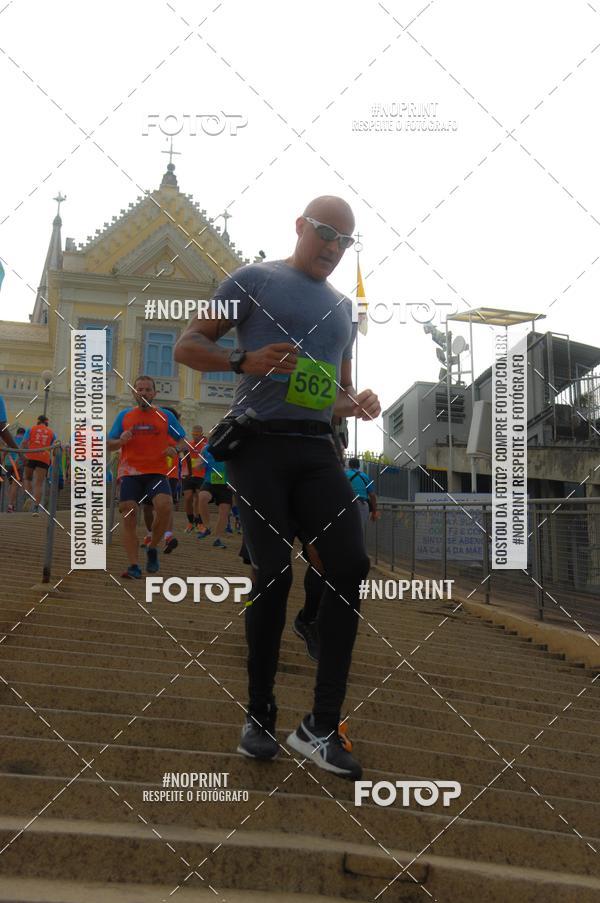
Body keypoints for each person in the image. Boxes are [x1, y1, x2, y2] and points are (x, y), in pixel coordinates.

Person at [174, 195, 380, 780]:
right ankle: (259, 715)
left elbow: (336, 394)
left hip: (317, 450)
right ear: (299, 226)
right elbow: (189, 345)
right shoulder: (253, 279)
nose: (335, 248)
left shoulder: (342, 311)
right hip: (257, 444)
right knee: (275, 573)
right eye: (325, 234)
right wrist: (244, 361)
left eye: (345, 241)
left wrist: (359, 403)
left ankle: (320, 725)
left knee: (348, 564)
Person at [107, 376, 185, 579]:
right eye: (139, 389)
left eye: (148, 390)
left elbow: (183, 441)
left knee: (165, 506)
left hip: (156, 472)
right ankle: (133, 565)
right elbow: (108, 444)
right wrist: (119, 441)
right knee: (129, 513)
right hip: (130, 473)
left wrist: (174, 449)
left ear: (154, 393)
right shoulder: (124, 416)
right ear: (134, 393)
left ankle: (153, 548)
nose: (143, 393)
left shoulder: (166, 416)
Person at [141, 405, 184, 554]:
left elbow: (183, 447)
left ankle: (168, 537)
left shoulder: (176, 434)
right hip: (150, 473)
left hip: (168, 475)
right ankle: (151, 533)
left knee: (166, 507)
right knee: (148, 508)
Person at [195, 447, 233, 549]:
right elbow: (197, 467)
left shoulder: (231, 447)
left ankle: (216, 538)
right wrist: (200, 463)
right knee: (202, 496)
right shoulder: (206, 448)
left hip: (226, 484)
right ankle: (207, 527)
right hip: (210, 481)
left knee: (224, 512)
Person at [22, 415, 57, 515]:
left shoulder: (31, 429)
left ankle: (29, 496)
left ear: (38, 422)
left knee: (27, 478)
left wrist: (26, 452)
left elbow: (24, 443)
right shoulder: (52, 433)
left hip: (31, 456)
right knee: (39, 483)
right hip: (44, 458)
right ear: (46, 423)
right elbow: (54, 448)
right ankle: (36, 508)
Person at [181, 424, 208, 533]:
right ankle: (190, 522)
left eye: (197, 434)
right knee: (187, 498)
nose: (195, 436)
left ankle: (199, 523)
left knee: (198, 498)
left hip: (201, 476)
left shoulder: (205, 446)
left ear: (201, 435)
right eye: (194, 434)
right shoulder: (188, 445)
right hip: (188, 475)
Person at [345, 457, 377, 534]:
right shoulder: (365, 476)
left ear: (349, 466)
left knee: (346, 530)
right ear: (359, 466)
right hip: (362, 505)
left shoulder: (345, 475)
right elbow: (372, 495)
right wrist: (374, 512)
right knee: (359, 531)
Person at [5, 426, 25, 511]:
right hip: (18, 465)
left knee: (11, 485)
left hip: (8, 464)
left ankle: (10, 504)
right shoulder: (24, 440)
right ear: (23, 434)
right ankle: (10, 505)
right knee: (15, 485)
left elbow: (4, 452)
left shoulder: (11, 438)